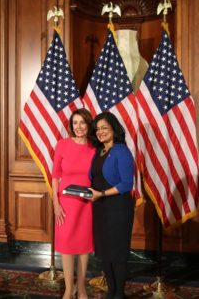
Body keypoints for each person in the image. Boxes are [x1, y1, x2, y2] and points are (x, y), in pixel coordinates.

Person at [89, 112, 134, 299]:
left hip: (118, 208)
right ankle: (111, 292)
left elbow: (126, 184)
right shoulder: (98, 152)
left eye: (104, 128)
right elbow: (95, 179)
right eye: (98, 129)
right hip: (100, 208)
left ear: (114, 129)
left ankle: (119, 295)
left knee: (117, 253)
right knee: (105, 252)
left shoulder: (121, 151)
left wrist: (102, 194)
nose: (100, 132)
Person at [52, 108, 95, 299]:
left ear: (88, 124)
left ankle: (82, 287)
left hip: (86, 203)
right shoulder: (62, 145)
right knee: (67, 246)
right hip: (66, 204)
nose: (79, 126)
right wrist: (55, 202)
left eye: (82, 122)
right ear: (71, 125)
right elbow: (55, 176)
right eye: (75, 122)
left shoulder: (95, 147)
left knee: (84, 246)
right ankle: (69, 289)